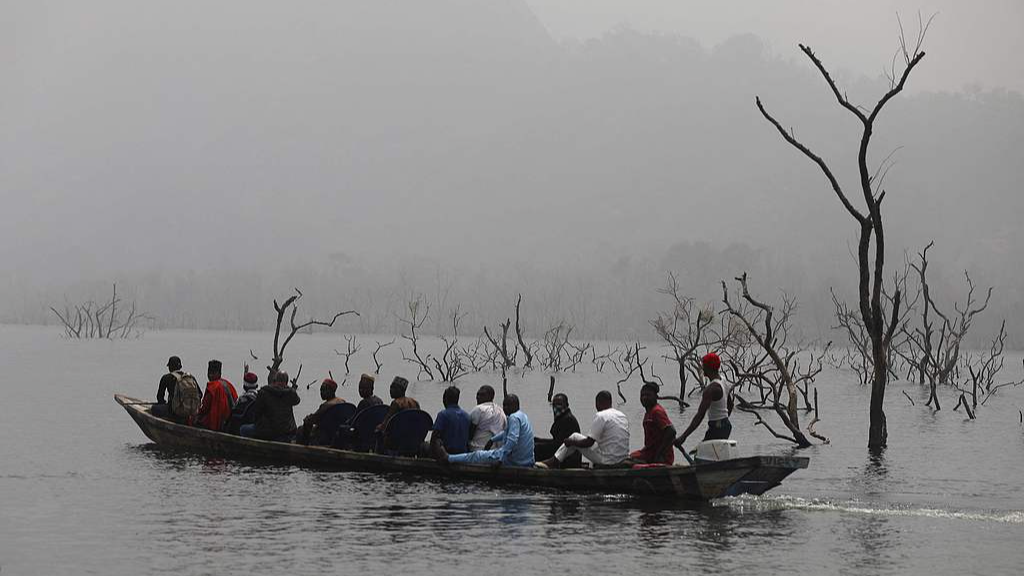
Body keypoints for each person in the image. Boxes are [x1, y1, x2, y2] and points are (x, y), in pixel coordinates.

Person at [536, 390, 629, 469]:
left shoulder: (601, 416)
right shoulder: (621, 415)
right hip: (622, 458)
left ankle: (553, 462)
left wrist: (571, 442)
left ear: (598, 403)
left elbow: (589, 443)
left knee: (575, 437)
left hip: (608, 461)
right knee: (579, 439)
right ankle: (555, 461)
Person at [438, 394, 534, 467]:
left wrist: (500, 459)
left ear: (516, 405)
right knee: (480, 454)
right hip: (526, 460)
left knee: (476, 455)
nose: (505, 408)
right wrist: (492, 440)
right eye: (504, 405)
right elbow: (506, 433)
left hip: (514, 461)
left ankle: (448, 458)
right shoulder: (522, 416)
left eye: (508, 406)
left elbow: (512, 440)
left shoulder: (513, 418)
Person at [674, 352, 733, 452]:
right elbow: (730, 405)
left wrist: (684, 436)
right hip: (726, 425)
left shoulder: (710, 390)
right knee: (707, 452)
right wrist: (724, 419)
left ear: (708, 368)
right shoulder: (723, 380)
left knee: (702, 454)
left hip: (716, 428)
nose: (702, 368)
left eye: (703, 365)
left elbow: (699, 416)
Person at [241, 370, 301, 441]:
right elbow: (297, 400)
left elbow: (257, 413)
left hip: (268, 432)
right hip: (288, 431)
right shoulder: (290, 394)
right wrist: (288, 388)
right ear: (287, 382)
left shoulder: (264, 392)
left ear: (274, 380)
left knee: (243, 429)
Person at [628, 383, 676, 465]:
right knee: (628, 457)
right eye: (642, 395)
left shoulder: (656, 411)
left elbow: (671, 431)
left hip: (661, 457)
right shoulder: (649, 412)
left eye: (648, 395)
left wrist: (659, 454)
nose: (644, 398)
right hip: (649, 452)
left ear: (656, 397)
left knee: (626, 462)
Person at [296, 378, 346, 445]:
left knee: (301, 428)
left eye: (324, 390)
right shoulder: (342, 402)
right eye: (321, 390)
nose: (321, 393)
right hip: (335, 433)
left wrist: (307, 418)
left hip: (324, 435)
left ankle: (303, 448)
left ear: (332, 391)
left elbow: (312, 419)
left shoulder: (326, 406)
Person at [538, 393, 582, 467]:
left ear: (566, 405)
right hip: (562, 452)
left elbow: (558, 445)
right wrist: (538, 440)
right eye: (554, 405)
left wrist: (539, 445)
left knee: (537, 449)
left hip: (569, 458)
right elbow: (556, 441)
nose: (556, 407)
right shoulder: (561, 418)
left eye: (559, 404)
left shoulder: (568, 420)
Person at [195, 360, 238, 431]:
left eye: (210, 373)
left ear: (209, 374)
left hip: (215, 425)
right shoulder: (229, 385)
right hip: (229, 423)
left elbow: (204, 409)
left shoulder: (212, 387)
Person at [430, 386, 470, 456]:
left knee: (424, 446)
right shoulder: (467, 416)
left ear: (445, 399)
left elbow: (434, 437)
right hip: (463, 453)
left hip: (447, 452)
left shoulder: (443, 414)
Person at [467, 384, 507, 451]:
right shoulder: (500, 410)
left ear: (490, 396)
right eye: (477, 394)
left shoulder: (478, 409)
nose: (478, 397)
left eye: (482, 395)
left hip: (477, 449)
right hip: (497, 451)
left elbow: (469, 435)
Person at [226, 370, 260, 435]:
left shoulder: (242, 400)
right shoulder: (260, 398)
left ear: (244, 387)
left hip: (242, 428)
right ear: (256, 386)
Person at [152, 356, 182, 420]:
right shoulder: (190, 377)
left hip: (173, 412)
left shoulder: (166, 378)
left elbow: (160, 398)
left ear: (170, 367)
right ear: (180, 367)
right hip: (188, 412)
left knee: (154, 408)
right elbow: (200, 394)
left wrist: (166, 404)